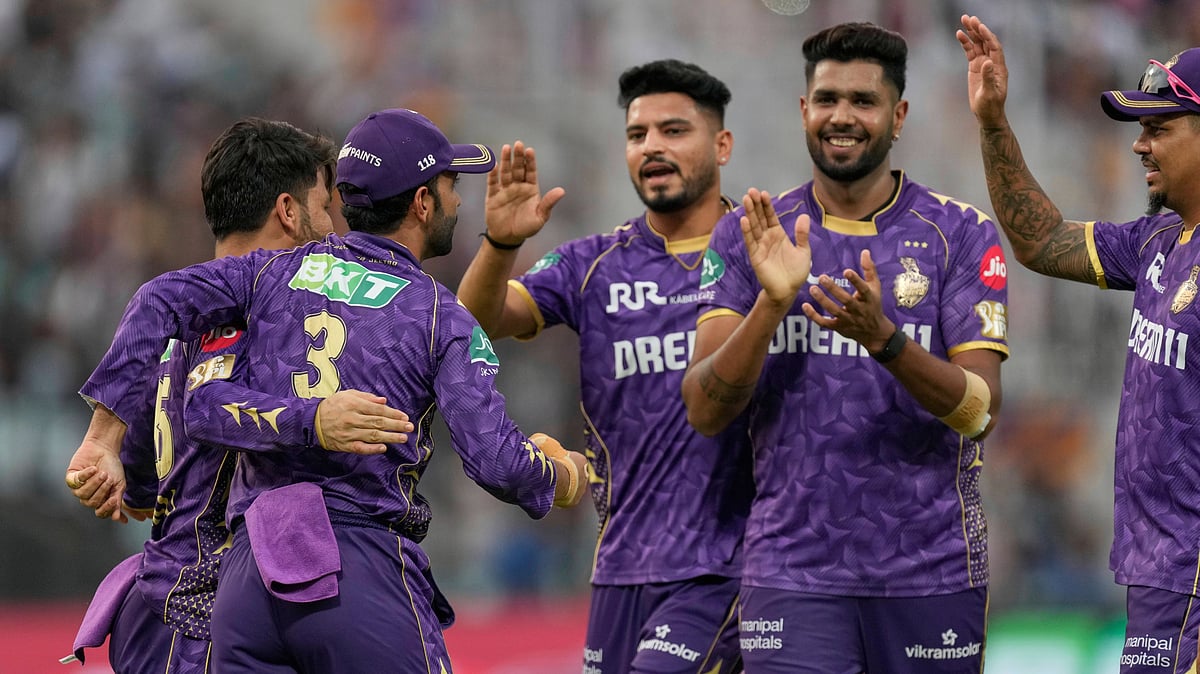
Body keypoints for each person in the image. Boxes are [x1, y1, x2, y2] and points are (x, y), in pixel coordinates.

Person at [74, 107, 590, 673]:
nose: (459, 200)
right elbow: (496, 461)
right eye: (450, 186)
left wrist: (107, 442)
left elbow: (167, 347)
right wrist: (560, 475)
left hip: (237, 586)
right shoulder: (427, 311)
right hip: (295, 581)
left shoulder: (265, 280)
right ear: (422, 202)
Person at [681, 22, 1009, 673]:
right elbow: (704, 409)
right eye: (827, 99)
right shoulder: (751, 234)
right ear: (804, 110)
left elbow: (981, 413)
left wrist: (886, 341)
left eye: (863, 101)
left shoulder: (961, 235)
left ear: (898, 116)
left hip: (932, 575)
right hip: (793, 575)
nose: (842, 116)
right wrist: (772, 305)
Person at [62, 118, 415, 672]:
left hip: (174, 611)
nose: (333, 228)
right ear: (289, 212)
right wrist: (315, 419)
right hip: (197, 621)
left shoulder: (177, 328)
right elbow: (207, 409)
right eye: (326, 207)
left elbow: (139, 493)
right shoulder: (246, 317)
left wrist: (110, 453)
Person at [457, 59, 752, 674]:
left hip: (727, 564)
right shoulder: (594, 264)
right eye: (637, 134)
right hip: (620, 566)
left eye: (674, 131)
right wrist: (502, 244)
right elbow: (476, 323)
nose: (652, 147)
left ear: (722, 144)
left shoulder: (764, 256)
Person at [959, 15, 1200, 673]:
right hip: (1159, 578)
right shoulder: (1157, 241)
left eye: (1159, 128)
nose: (1139, 146)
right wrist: (993, 122)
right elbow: (1040, 241)